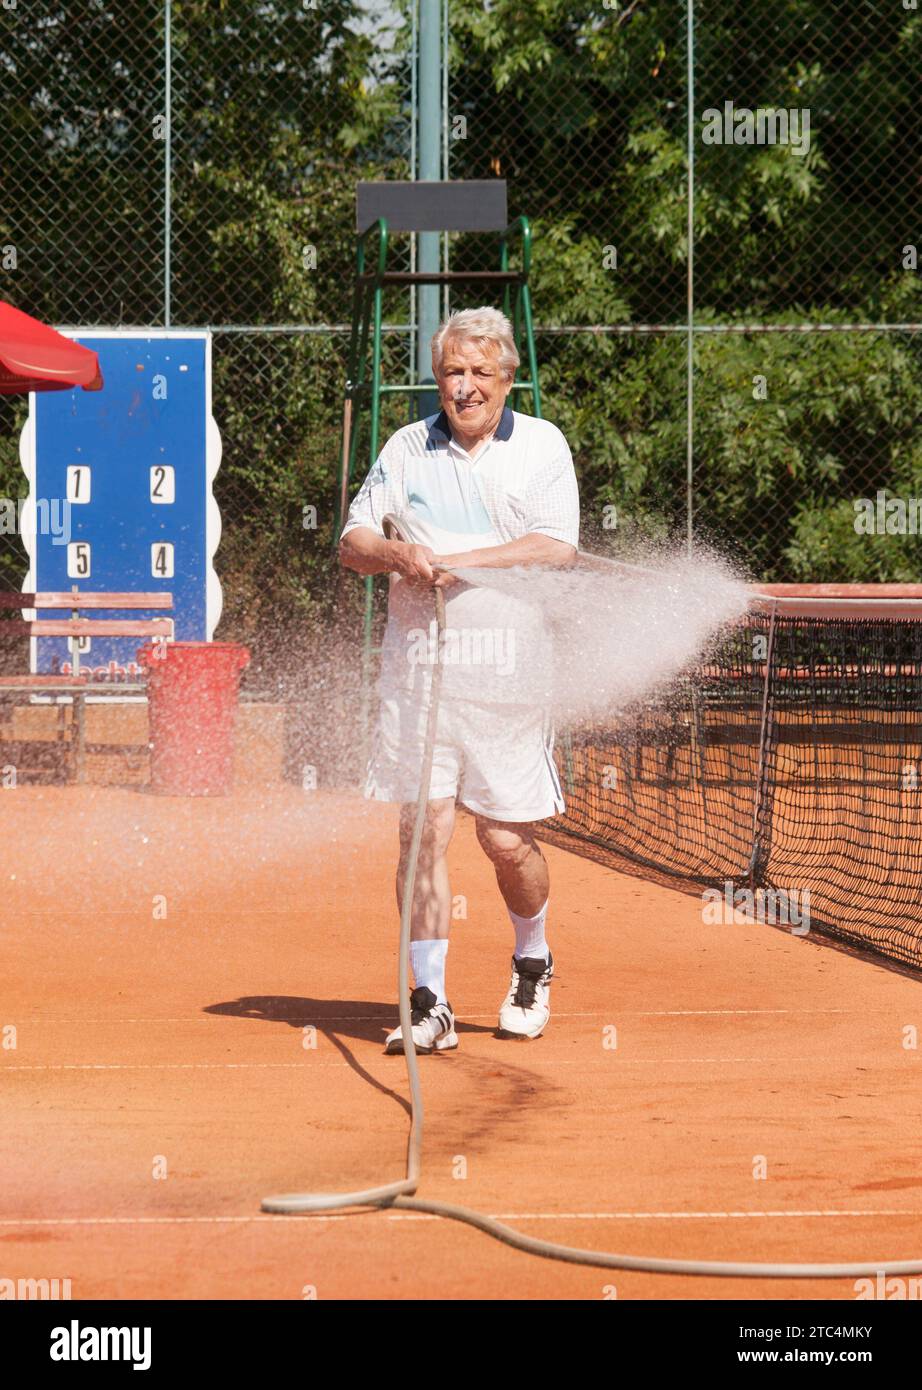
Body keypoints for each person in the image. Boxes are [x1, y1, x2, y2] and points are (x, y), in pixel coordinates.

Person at [339, 306, 580, 1052]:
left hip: (510, 680)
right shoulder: (407, 448)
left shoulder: (541, 446)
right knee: (423, 830)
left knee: (505, 839)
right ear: (437, 379)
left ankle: (532, 961)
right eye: (452, 372)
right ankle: (428, 1000)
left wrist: (458, 561)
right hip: (416, 676)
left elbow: (555, 547)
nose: (466, 387)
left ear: (508, 376)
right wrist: (396, 555)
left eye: (481, 372)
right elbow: (352, 541)